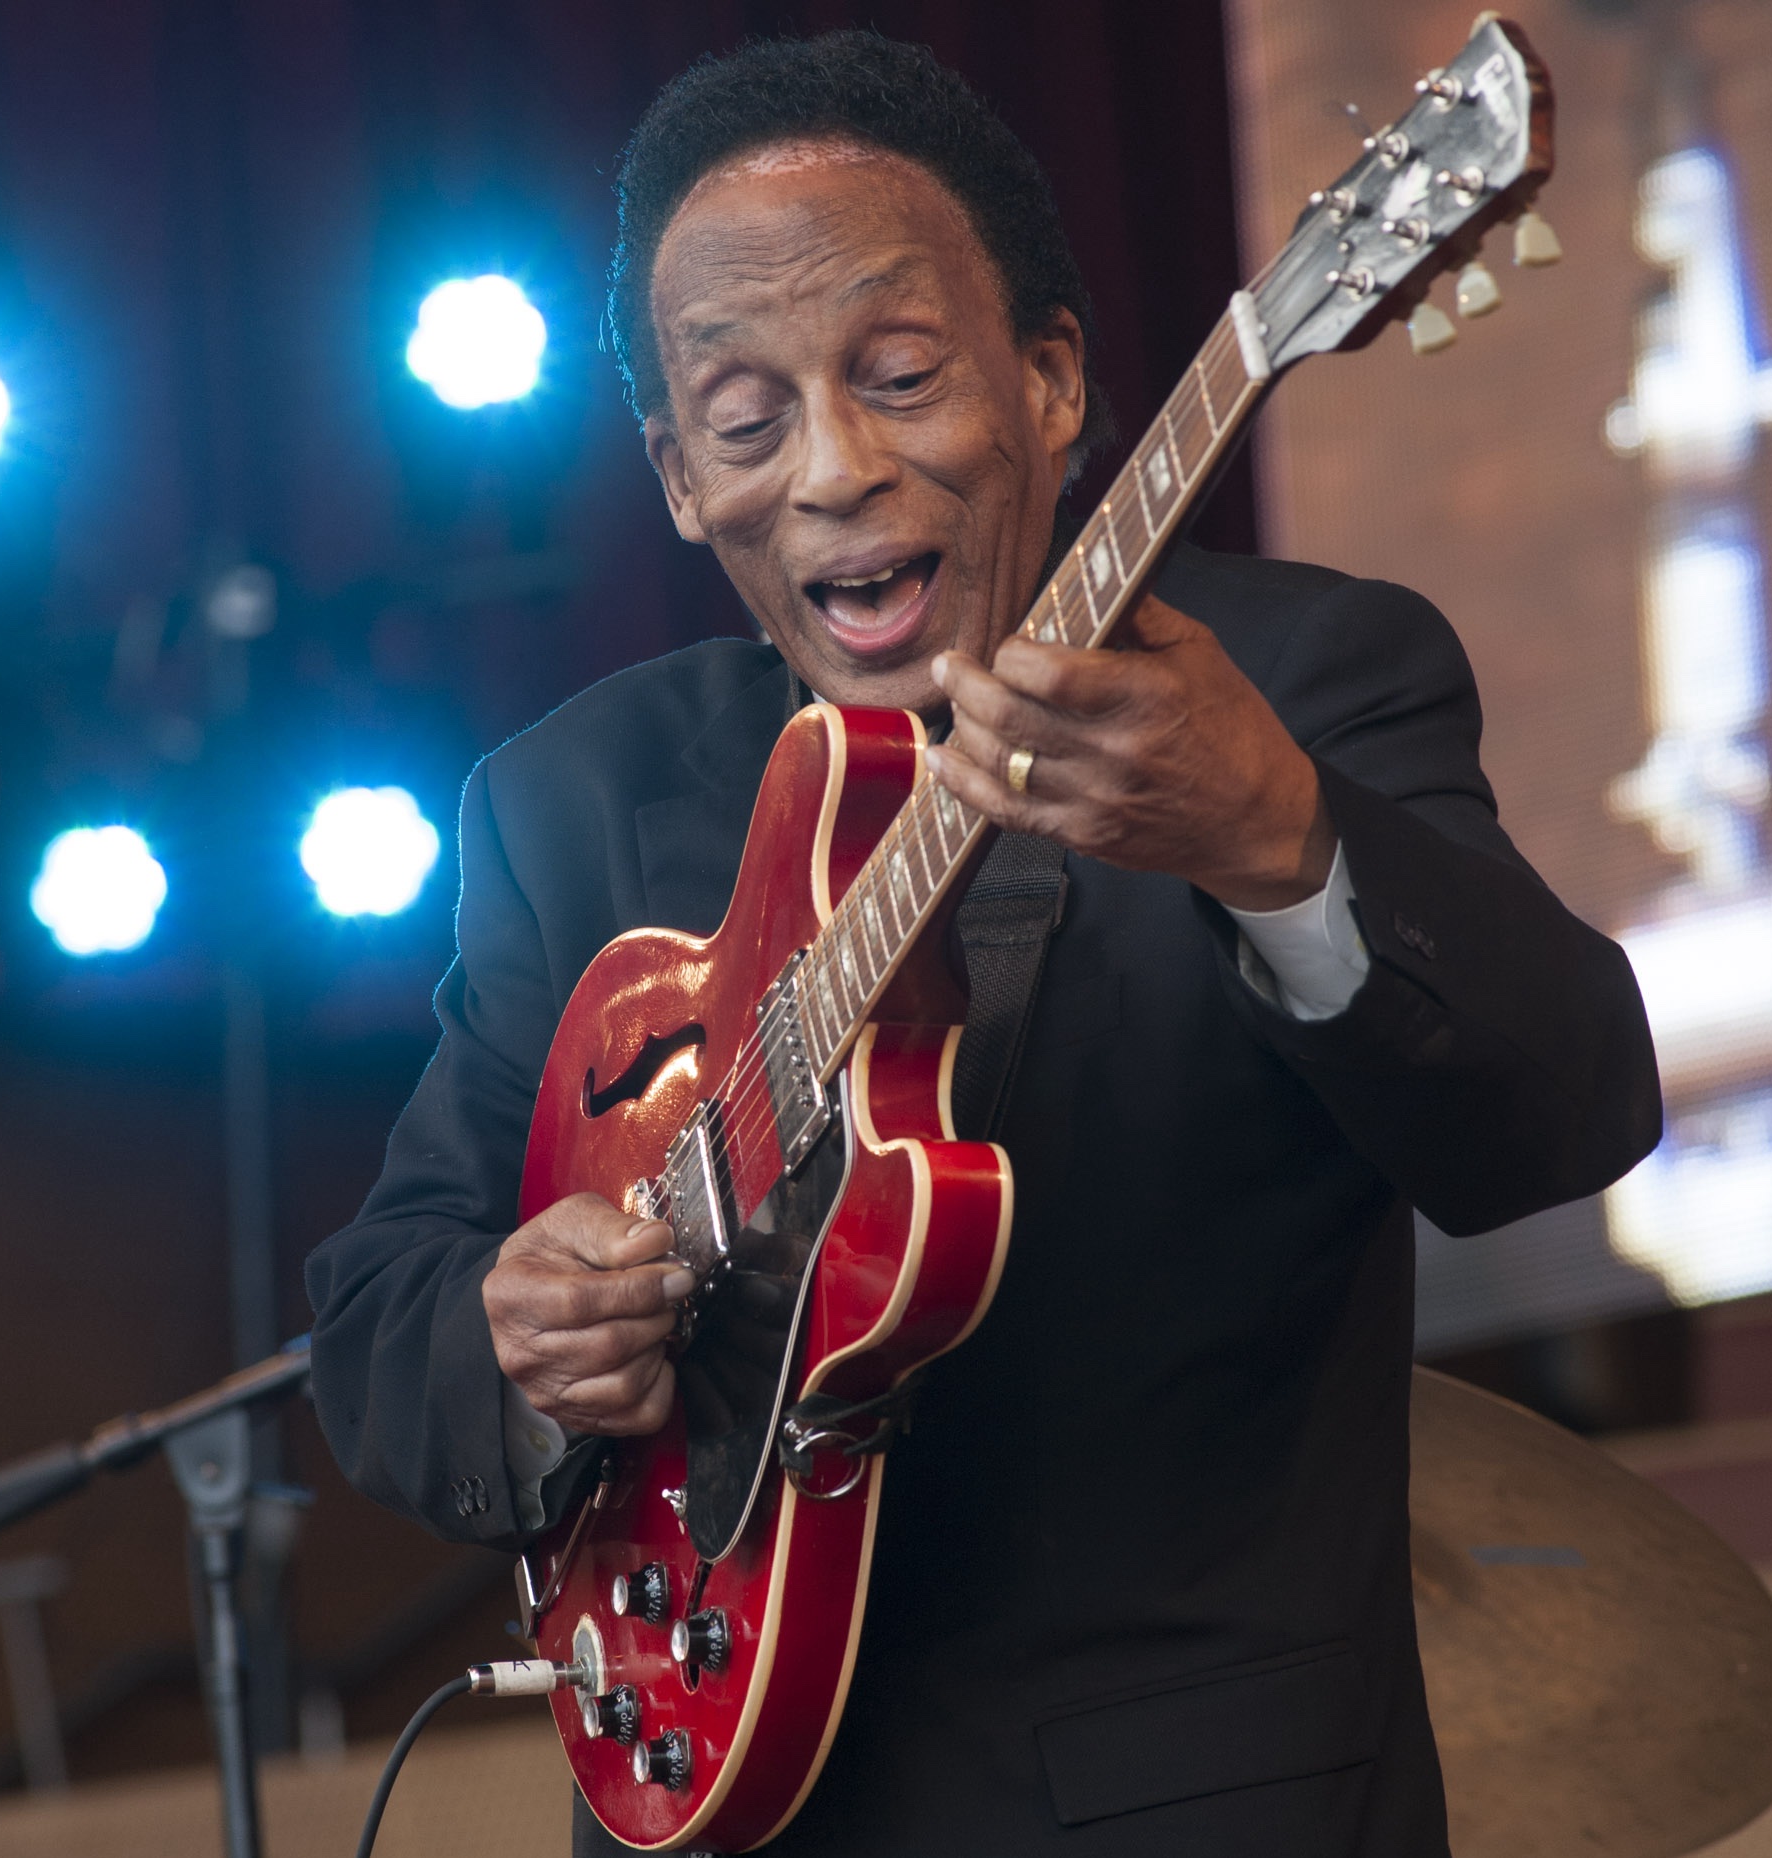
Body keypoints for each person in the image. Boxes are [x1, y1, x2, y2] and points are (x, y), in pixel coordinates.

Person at [305, 31, 1660, 1857]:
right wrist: (514, 1327)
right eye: (746, 417)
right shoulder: (573, 803)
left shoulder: (1310, 680)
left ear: (1053, 382)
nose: (836, 469)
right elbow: (379, 1316)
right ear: (678, 479)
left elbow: (1563, 1113)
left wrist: (1274, 836)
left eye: (902, 373)